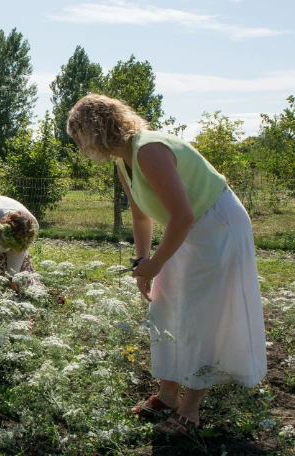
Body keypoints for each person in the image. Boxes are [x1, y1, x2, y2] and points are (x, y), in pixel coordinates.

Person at [66, 94, 267, 437]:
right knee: (164, 306)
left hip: (217, 226)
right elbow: (141, 214)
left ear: (95, 131)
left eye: (79, 138)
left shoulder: (149, 150)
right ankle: (166, 395)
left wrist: (157, 262)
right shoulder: (123, 160)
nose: (80, 148)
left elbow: (184, 214)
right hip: (187, 228)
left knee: (198, 315)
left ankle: (190, 410)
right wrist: (143, 262)